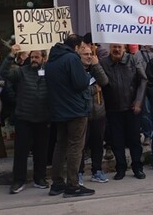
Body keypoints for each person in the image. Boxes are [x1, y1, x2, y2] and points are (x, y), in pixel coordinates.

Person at [45, 34, 94, 198]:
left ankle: (57, 183)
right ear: (77, 46)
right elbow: (80, 83)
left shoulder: (52, 59)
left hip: (59, 110)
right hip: (75, 110)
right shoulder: (72, 59)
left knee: (61, 145)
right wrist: (87, 75)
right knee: (75, 146)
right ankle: (72, 185)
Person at [0, 46, 51, 194]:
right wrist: (11, 55)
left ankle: (40, 178)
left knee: (41, 151)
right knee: (21, 152)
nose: (33, 60)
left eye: (37, 57)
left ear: (43, 58)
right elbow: (3, 73)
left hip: (43, 118)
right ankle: (18, 180)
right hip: (24, 118)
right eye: (32, 57)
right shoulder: (21, 71)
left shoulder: (50, 72)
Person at [100, 43, 148, 180]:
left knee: (134, 140)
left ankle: (137, 167)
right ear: (110, 48)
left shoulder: (132, 60)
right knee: (117, 141)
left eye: (119, 47)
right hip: (112, 109)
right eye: (114, 47)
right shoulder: (104, 63)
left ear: (124, 48)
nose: (116, 50)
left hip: (132, 108)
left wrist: (138, 101)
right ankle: (120, 168)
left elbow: (143, 81)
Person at [77, 44, 110, 185]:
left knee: (97, 143)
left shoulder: (95, 68)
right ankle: (78, 172)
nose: (89, 56)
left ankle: (97, 170)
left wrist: (96, 66)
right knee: (80, 145)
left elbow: (104, 82)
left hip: (98, 112)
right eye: (85, 54)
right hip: (82, 112)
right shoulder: (76, 70)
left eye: (91, 54)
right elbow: (80, 89)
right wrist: (94, 89)